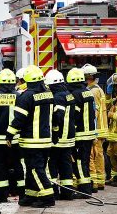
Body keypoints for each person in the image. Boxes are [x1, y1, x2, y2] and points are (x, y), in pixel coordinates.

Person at [6, 65, 55, 208]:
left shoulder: (26, 96)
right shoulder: (48, 93)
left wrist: (9, 134)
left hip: (32, 141)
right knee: (33, 168)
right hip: (45, 140)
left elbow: (19, 119)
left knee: (35, 169)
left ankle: (47, 197)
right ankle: (31, 195)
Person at [0, 69, 25, 203]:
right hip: (15, 139)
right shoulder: (18, 96)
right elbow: (21, 117)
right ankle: (22, 195)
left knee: (0, 167)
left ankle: (2, 196)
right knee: (18, 165)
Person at [44, 70, 76, 200]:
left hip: (59, 138)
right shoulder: (69, 94)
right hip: (69, 137)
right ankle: (67, 192)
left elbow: (58, 116)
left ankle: (54, 192)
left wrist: (55, 132)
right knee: (66, 165)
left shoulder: (58, 97)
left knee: (52, 165)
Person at [66, 67, 96, 198]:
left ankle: (85, 190)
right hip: (89, 134)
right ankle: (86, 185)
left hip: (80, 134)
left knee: (79, 162)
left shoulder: (75, 95)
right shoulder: (88, 92)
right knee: (84, 161)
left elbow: (74, 115)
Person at [82, 64, 108, 192]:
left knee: (94, 155)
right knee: (99, 155)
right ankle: (100, 181)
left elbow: (94, 112)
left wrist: (92, 131)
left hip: (97, 129)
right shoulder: (97, 89)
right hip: (100, 128)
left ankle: (96, 183)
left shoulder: (93, 91)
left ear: (88, 77)